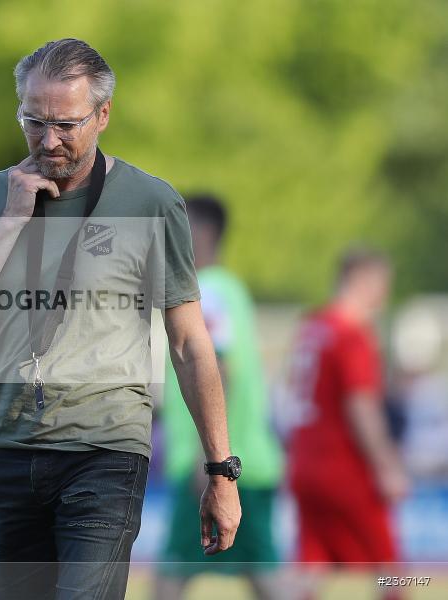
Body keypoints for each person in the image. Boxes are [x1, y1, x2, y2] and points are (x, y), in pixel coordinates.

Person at [0, 39, 241, 599]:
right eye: (33, 121)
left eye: (66, 124)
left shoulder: (151, 202)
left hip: (105, 452)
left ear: (103, 115)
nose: (48, 141)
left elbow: (189, 343)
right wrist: (10, 222)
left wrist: (221, 470)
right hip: (4, 447)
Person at [154, 195, 284, 599]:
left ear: (203, 233)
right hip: (241, 463)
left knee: (171, 575)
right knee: (262, 575)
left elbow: (217, 370)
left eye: (178, 227)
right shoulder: (229, 289)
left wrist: (208, 460)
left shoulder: (205, 291)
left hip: (221, 466)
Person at [285, 247, 409, 599]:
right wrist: (387, 466)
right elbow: (361, 407)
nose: (384, 294)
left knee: (312, 566)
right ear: (363, 282)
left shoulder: (312, 326)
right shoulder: (352, 333)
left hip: (304, 465)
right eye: (382, 284)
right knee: (392, 572)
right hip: (344, 468)